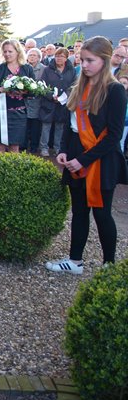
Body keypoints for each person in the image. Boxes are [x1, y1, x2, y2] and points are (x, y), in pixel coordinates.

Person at [47, 36, 127, 274]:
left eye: (90, 60)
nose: (84, 65)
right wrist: (62, 150)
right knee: (79, 211)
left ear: (103, 60)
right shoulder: (79, 86)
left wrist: (82, 159)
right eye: (82, 60)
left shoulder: (115, 91)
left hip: (101, 160)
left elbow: (113, 136)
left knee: (102, 214)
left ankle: (108, 268)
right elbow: (69, 124)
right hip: (75, 155)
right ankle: (75, 261)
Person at [0, 39, 35, 154]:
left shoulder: (27, 69)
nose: (7, 54)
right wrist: (0, 90)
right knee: (0, 145)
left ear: (18, 51)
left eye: (10, 51)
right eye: (5, 51)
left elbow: (34, 91)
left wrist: (25, 92)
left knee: (15, 146)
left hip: (19, 113)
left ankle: (13, 171)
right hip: (1, 113)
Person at [38, 47, 77, 157]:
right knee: (46, 126)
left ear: (66, 58)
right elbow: (42, 84)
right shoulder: (47, 70)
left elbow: (74, 85)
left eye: (61, 56)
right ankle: (44, 148)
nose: (58, 58)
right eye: (57, 56)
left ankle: (57, 148)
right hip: (48, 103)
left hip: (63, 103)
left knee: (60, 126)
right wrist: (51, 96)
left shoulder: (72, 70)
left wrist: (63, 97)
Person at [25, 48, 46, 153]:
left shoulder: (43, 69)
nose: (32, 57)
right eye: (30, 55)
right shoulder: (24, 67)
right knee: (24, 124)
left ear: (39, 57)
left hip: (37, 101)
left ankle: (34, 146)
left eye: (34, 55)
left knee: (35, 126)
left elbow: (45, 85)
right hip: (25, 101)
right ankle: (23, 145)